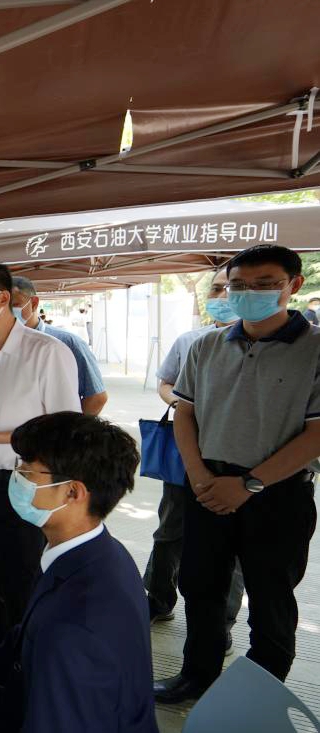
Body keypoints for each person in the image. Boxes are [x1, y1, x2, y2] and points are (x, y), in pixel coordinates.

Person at [154, 244, 320, 704]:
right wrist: (197, 475)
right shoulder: (206, 345)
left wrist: (249, 484)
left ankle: (260, 696)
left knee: (271, 597)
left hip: (278, 491)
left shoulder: (314, 348)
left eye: (265, 284)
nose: (248, 293)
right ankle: (196, 676)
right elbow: (185, 413)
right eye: (239, 285)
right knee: (200, 586)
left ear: (293, 285)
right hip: (208, 484)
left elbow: (316, 433)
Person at [0, 412, 157, 733]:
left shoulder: (74, 632)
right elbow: (26, 631)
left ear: (73, 492)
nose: (17, 478)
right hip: (30, 689)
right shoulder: (89, 550)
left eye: (27, 471)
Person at [0, 262, 80, 650]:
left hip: (19, 487)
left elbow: (65, 434)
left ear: (2, 297)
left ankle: (25, 667)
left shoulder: (48, 353)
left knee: (21, 585)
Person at [146, 268, 244, 637]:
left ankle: (222, 624)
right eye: (216, 289)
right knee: (170, 531)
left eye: (230, 289)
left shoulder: (287, 347)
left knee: (234, 547)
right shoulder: (192, 340)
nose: (222, 297)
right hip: (186, 455)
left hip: (243, 466)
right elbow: (166, 383)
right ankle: (158, 599)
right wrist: (183, 405)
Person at [11, 277, 109, 416]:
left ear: (34, 303)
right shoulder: (0, 344)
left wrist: (70, 427)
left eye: (15, 305)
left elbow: (97, 398)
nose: (8, 312)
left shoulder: (68, 343)